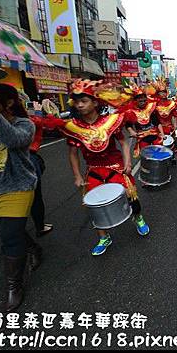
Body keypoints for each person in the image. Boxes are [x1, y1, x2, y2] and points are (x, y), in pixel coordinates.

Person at [59, 79, 150, 256]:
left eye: (83, 101)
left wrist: (128, 162)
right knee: (93, 205)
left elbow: (123, 143)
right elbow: (72, 154)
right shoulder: (74, 127)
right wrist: (77, 176)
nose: (79, 105)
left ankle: (138, 218)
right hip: (93, 170)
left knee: (131, 197)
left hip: (116, 167)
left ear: (95, 102)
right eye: (76, 102)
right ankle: (103, 237)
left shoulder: (111, 122)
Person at [0, 83, 41, 311]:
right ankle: (34, 248)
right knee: (9, 231)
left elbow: (13, 140)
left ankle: (13, 287)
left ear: (7, 102)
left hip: (19, 187)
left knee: (9, 237)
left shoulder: (24, 124)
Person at [26, 100, 66, 237]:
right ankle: (39, 227)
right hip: (27, 160)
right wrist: (38, 112)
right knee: (35, 196)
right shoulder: (25, 120)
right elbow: (36, 124)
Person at [124, 85, 164, 160]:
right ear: (135, 101)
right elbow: (128, 124)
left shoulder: (150, 109)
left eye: (144, 100)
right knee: (145, 157)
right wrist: (132, 132)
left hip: (155, 136)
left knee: (159, 155)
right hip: (143, 138)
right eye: (140, 101)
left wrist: (162, 133)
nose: (143, 102)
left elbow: (157, 122)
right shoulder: (132, 112)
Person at [153, 79, 177, 161]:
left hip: (169, 127)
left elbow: (174, 116)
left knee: (175, 140)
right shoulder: (154, 105)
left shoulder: (172, 103)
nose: (163, 94)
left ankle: (173, 156)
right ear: (158, 93)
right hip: (158, 128)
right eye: (161, 92)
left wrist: (175, 127)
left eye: (164, 92)